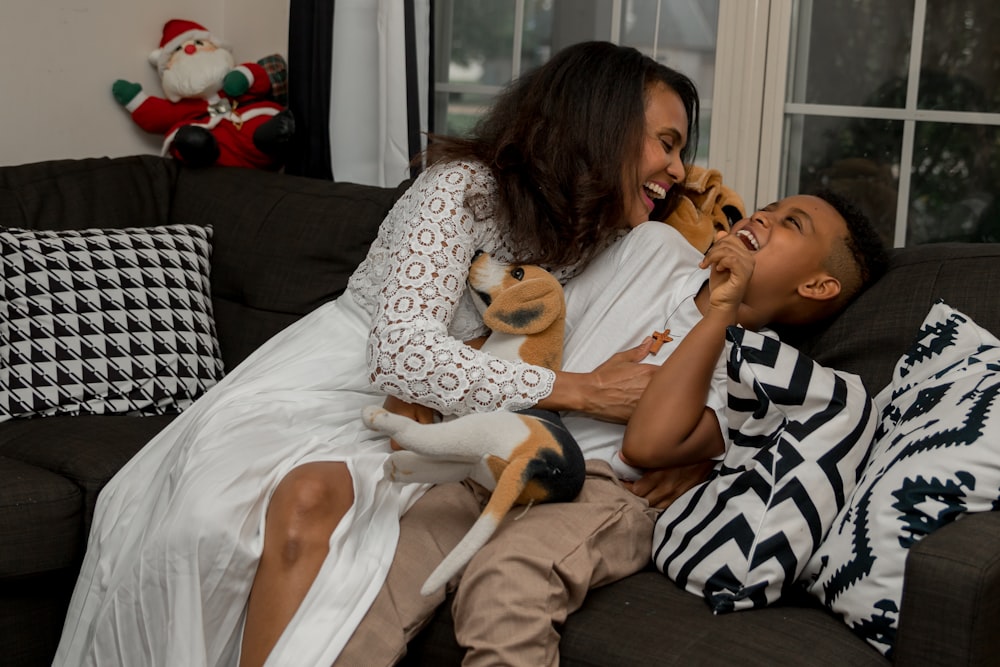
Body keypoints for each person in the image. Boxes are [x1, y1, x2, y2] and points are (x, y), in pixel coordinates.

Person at [52, 41, 701, 667]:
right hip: (341, 377)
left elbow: (701, 321)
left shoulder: (599, 229)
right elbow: (401, 354)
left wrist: (697, 453)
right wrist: (579, 389)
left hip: (436, 413)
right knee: (214, 520)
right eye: (666, 144)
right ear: (602, 125)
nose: (677, 170)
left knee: (325, 510)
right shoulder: (464, 190)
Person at [335, 190, 889, 666]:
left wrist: (721, 313)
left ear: (818, 286)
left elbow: (647, 444)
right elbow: (543, 331)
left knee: (508, 578)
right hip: (503, 451)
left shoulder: (763, 371)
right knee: (384, 567)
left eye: (791, 224)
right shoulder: (654, 251)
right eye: (767, 208)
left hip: (603, 493)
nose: (763, 216)